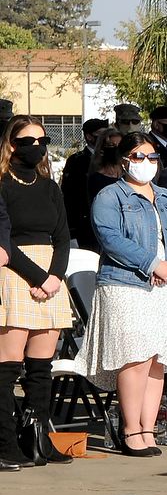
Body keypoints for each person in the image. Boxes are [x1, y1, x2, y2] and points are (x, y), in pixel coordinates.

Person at [77, 133, 167, 458]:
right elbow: (110, 237)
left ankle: (149, 427)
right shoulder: (109, 196)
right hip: (127, 284)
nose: (147, 163)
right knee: (136, 356)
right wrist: (151, 264)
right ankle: (130, 429)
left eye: (152, 157)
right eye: (139, 156)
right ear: (125, 159)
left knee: (158, 358)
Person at [0, 116, 74, 467]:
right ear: (11, 144)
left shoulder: (49, 186)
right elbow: (5, 239)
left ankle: (37, 437)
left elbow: (62, 236)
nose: (38, 147)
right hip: (15, 272)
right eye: (29, 140)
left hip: (51, 275)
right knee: (7, 366)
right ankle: (5, 442)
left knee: (41, 367)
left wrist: (55, 276)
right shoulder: (1, 183)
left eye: (43, 140)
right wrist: (37, 277)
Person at [76, 130, 127, 251]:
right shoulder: (95, 178)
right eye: (111, 146)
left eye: (119, 146)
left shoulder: (129, 177)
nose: (115, 149)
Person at [62, 118, 109, 244]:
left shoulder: (111, 158)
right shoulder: (77, 161)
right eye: (101, 135)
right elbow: (69, 196)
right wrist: (72, 230)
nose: (105, 140)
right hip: (85, 224)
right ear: (89, 136)